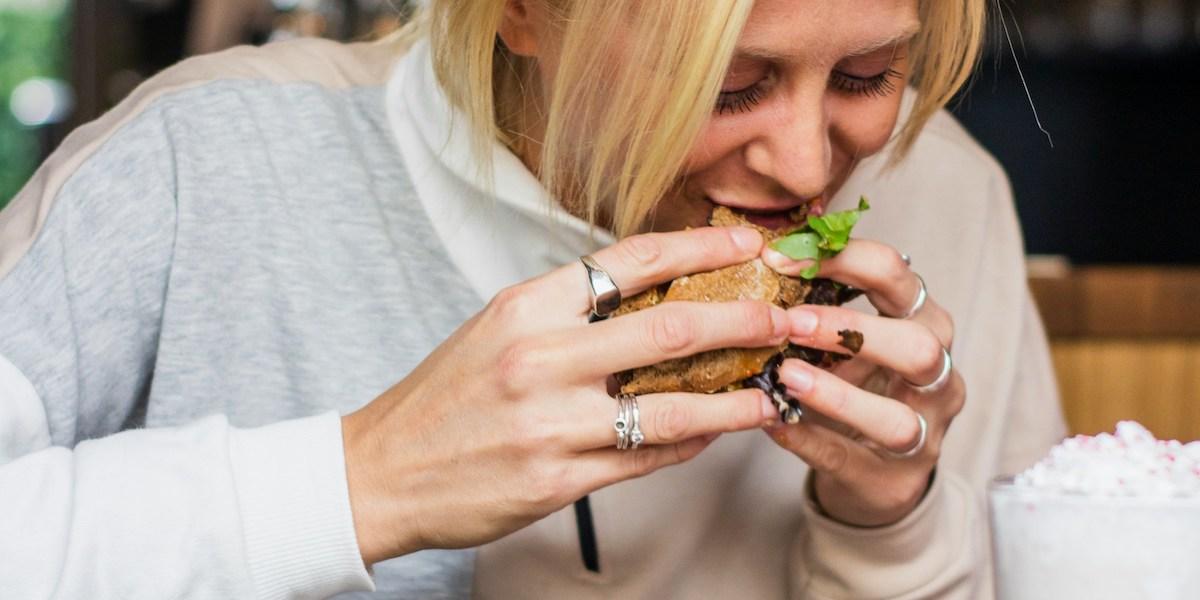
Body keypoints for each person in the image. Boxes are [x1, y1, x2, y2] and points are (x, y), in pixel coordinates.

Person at [0, 0, 1067, 597]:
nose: (803, 164)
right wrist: (360, 480)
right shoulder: (200, 161)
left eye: (869, 76)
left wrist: (890, 523)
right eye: (726, 86)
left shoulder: (951, 196)